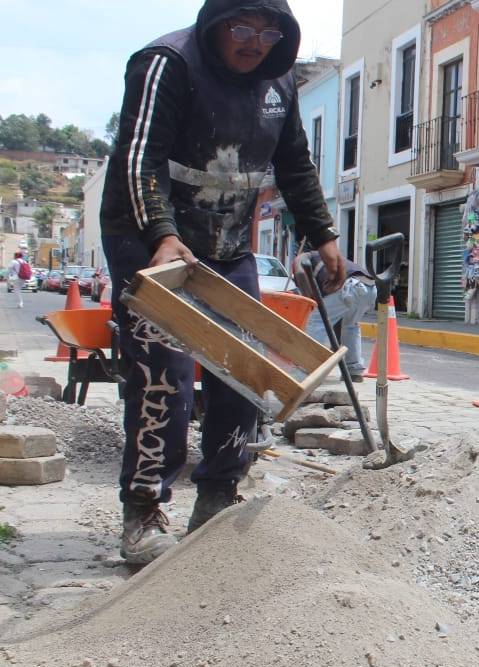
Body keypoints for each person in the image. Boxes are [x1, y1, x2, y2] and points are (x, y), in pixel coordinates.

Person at [99, 0, 344, 564]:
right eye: (242, 28)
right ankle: (141, 510)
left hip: (228, 243)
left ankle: (218, 494)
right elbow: (140, 159)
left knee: (245, 373)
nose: (255, 42)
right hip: (151, 242)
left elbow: (295, 163)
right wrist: (160, 233)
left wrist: (323, 233)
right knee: (165, 375)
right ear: (215, 25)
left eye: (269, 31)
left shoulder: (279, 79)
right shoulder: (167, 63)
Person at [296, 251, 377, 380]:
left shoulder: (305, 258)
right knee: (351, 326)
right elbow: (335, 318)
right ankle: (354, 371)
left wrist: (308, 298)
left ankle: (306, 369)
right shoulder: (326, 259)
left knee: (316, 320)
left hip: (351, 287)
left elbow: (300, 274)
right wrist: (335, 345)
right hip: (370, 289)